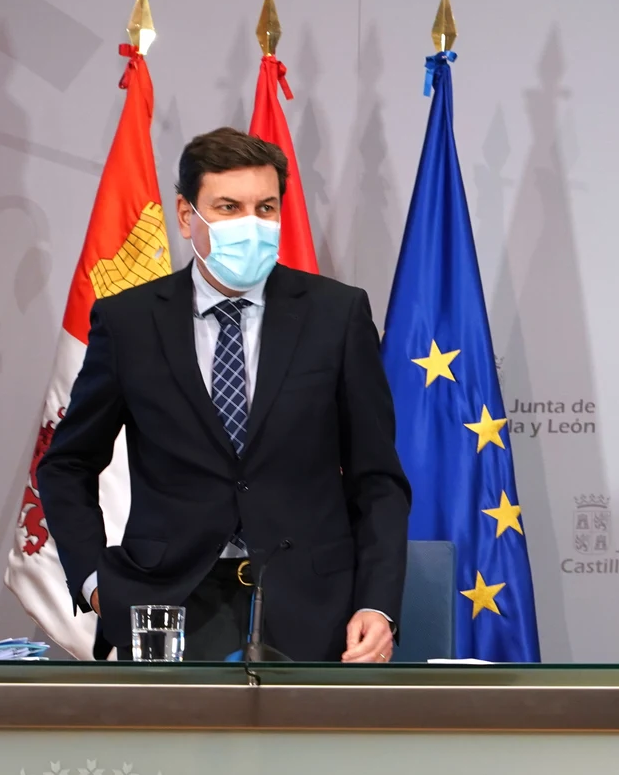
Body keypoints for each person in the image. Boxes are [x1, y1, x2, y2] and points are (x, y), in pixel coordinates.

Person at [37, 128, 410, 662]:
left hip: (312, 608)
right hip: (165, 607)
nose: (251, 225)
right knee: (176, 750)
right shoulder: (129, 322)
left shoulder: (337, 315)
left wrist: (377, 604)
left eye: (266, 207)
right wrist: (98, 582)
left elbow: (378, 479)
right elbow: (66, 464)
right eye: (229, 207)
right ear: (188, 216)